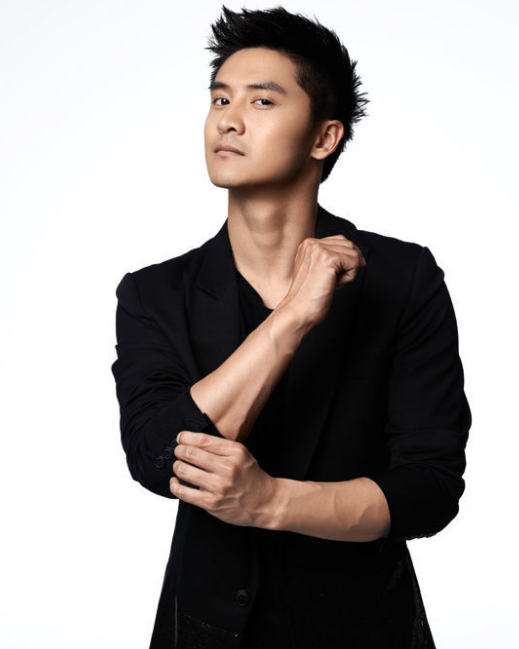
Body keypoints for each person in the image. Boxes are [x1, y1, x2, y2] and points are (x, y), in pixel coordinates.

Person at [111, 5, 472, 648]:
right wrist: (293, 317)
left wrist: (270, 501)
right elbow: (156, 456)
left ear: (323, 138)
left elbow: (430, 488)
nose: (227, 119)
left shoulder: (403, 278)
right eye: (219, 98)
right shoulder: (154, 293)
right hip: (208, 631)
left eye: (261, 100)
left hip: (367, 628)